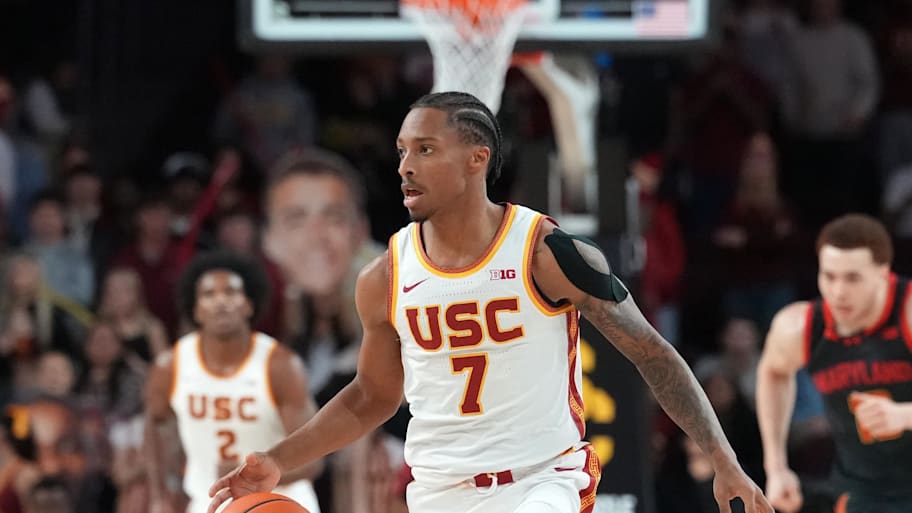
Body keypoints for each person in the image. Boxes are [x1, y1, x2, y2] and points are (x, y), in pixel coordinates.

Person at [209, 91, 771, 513]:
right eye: (402, 151)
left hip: (541, 483)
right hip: (438, 492)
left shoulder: (546, 253)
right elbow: (371, 397)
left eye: (425, 150)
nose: (405, 166)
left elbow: (651, 352)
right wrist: (279, 459)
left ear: (476, 159)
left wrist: (723, 458)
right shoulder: (384, 275)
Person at [144, 252, 323, 513]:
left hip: (281, 499)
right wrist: (160, 493)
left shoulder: (280, 365)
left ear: (248, 304)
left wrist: (251, 475)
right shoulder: (170, 366)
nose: (221, 301)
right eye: (209, 294)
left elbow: (313, 460)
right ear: (196, 309)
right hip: (208, 503)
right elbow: (154, 424)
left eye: (231, 292)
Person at [757, 213, 912, 513]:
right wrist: (776, 467)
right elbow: (774, 372)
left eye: (853, 278)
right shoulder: (800, 327)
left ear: (883, 273)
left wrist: (905, 415)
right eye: (829, 276)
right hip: (864, 491)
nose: (838, 292)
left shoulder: (907, 312)